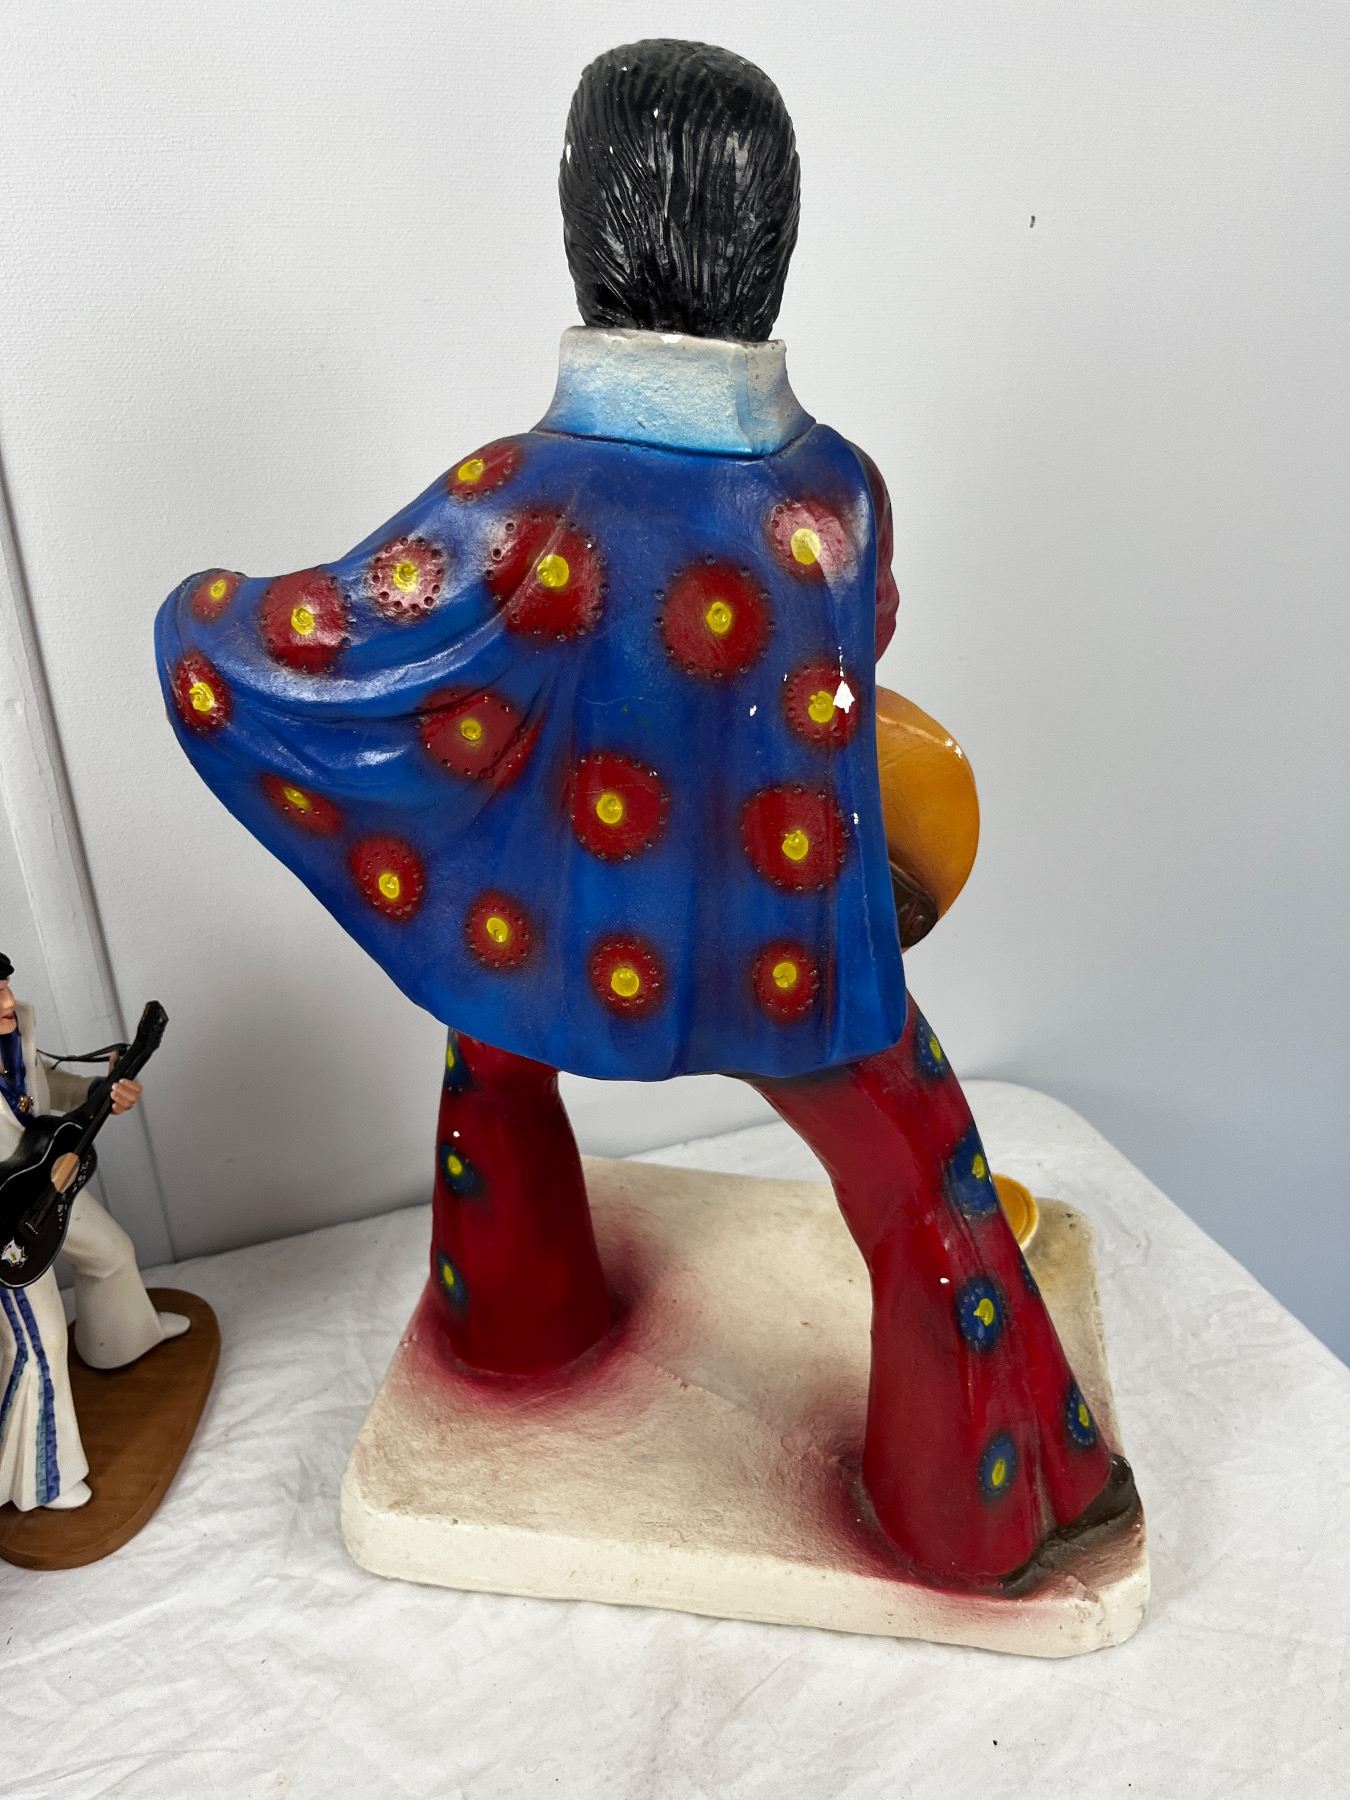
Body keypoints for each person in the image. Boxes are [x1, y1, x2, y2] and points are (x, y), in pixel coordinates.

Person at [156, 39, 1136, 1587]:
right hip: (792, 944)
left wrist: (202, 621)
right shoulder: (839, 490)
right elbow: (863, 638)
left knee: (493, 1044)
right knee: (918, 1182)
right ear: (774, 235)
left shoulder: (512, 494)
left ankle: (515, 1318)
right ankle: (990, 1503)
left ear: (587, 224)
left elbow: (349, 637)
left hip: (553, 922)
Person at [0, 954, 188, 1511]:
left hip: (43, 1185)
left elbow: (46, 1085)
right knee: (38, 1344)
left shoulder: (15, 1032)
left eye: (4, 984)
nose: (7, 1001)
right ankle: (42, 1480)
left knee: (111, 1254)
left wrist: (99, 1090)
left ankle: (119, 1342)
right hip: (4, 1229)